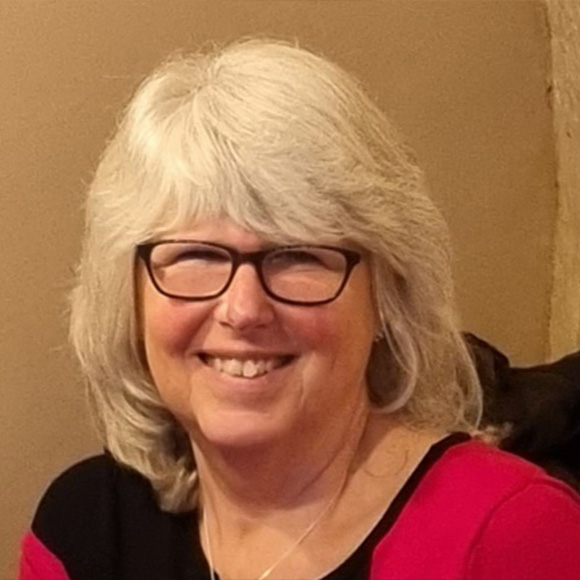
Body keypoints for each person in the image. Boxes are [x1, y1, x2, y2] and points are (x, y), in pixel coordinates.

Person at [19, 37, 580, 580]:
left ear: (385, 294)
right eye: (194, 255)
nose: (242, 309)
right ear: (130, 297)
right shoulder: (83, 530)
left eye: (297, 256)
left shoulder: (511, 535)